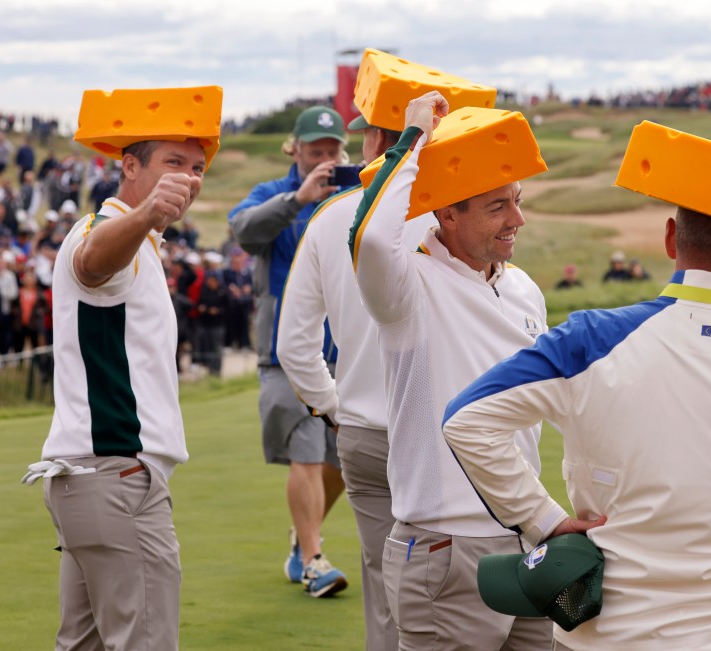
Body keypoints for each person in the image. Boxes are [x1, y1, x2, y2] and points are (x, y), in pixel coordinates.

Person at [442, 124, 711, 650]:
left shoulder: (589, 338)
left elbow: (467, 420)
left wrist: (542, 521)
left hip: (600, 633)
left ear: (669, 239)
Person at [277, 55, 472, 647]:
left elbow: (294, 345)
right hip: (444, 424)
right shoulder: (453, 218)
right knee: (453, 585)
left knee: (385, 587)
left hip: (362, 426)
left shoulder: (330, 217)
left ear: (374, 139)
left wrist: (333, 408)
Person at [22, 85, 223, 650]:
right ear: (129, 166)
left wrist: (147, 220)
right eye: (173, 163)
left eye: (197, 166)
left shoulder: (140, 240)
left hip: (88, 477)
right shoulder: (106, 232)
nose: (188, 177)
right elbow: (92, 263)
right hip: (117, 476)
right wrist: (146, 214)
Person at [351, 91, 552, 650]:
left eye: (517, 200)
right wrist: (411, 141)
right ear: (446, 211)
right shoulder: (406, 287)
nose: (518, 219)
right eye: (497, 207)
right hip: (447, 547)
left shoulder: (523, 288)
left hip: (527, 540)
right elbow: (370, 236)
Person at [228, 105, 352, 597]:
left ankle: (303, 541)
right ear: (295, 151)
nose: (324, 159)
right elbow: (244, 230)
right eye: (314, 151)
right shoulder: (272, 194)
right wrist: (297, 200)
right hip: (283, 352)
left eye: (332, 150)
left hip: (342, 352)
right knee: (304, 450)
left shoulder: (352, 194)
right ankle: (314, 560)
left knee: (345, 458)